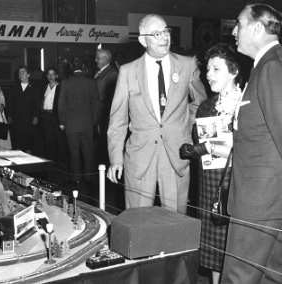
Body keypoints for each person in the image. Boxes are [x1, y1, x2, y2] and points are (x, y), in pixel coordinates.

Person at [107, 14, 207, 213]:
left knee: (176, 220)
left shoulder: (187, 65)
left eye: (166, 31)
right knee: (137, 220)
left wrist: (185, 124)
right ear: (143, 40)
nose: (164, 37)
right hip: (140, 157)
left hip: (176, 154)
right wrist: (115, 159)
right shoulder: (128, 72)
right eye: (156, 33)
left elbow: (201, 102)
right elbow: (117, 120)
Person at [222, 3, 282, 283]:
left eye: (240, 24)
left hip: (258, 205)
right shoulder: (268, 65)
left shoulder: (271, 67)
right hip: (267, 202)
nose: (234, 31)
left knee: (239, 277)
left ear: (258, 28)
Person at [180, 43, 244, 284]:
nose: (208, 75)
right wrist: (192, 150)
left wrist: (203, 148)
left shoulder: (245, 105)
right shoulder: (205, 107)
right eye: (207, 70)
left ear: (234, 71)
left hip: (236, 186)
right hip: (210, 187)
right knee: (215, 252)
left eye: (216, 69)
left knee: (236, 250)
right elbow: (206, 150)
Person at [58, 56, 99, 185]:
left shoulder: (65, 82)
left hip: (71, 123)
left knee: (73, 151)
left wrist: (62, 122)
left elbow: (61, 104)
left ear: (71, 67)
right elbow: (96, 104)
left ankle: (75, 178)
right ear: (82, 66)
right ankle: (88, 177)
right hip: (87, 123)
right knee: (88, 151)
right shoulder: (92, 82)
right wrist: (94, 121)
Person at [7, 66, 40, 153]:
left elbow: (37, 104)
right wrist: (9, 115)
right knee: (17, 139)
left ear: (28, 74)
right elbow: (10, 103)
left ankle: (28, 159)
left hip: (29, 118)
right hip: (16, 118)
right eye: (19, 72)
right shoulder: (14, 88)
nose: (20, 74)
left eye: (23, 72)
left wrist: (36, 116)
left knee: (28, 140)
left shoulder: (34, 88)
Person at [94, 48, 118, 166]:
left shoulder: (112, 74)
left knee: (104, 144)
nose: (95, 60)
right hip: (98, 114)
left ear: (104, 59)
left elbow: (108, 97)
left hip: (105, 116)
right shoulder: (99, 72)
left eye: (97, 58)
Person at [40, 66, 67, 168]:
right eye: (49, 74)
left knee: (59, 139)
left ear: (57, 75)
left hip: (56, 116)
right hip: (46, 116)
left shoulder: (60, 87)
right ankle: (51, 160)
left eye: (53, 74)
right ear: (46, 76)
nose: (51, 76)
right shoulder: (44, 87)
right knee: (48, 139)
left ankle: (60, 160)